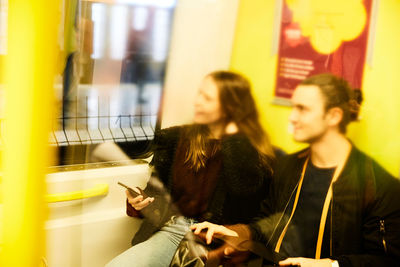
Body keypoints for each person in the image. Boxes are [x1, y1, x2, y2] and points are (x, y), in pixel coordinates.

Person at [191, 73, 400, 267]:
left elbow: (386, 259)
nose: (292, 117)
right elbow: (267, 225)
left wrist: (330, 264)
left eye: (303, 109)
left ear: (333, 116)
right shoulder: (288, 166)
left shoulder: (378, 185)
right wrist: (236, 233)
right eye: (293, 107)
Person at [105, 70, 277, 267]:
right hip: (173, 229)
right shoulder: (177, 140)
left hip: (216, 239)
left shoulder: (253, 151)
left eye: (208, 98)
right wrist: (141, 203)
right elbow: (159, 195)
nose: (197, 102)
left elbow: (245, 194)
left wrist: (233, 136)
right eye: (199, 94)